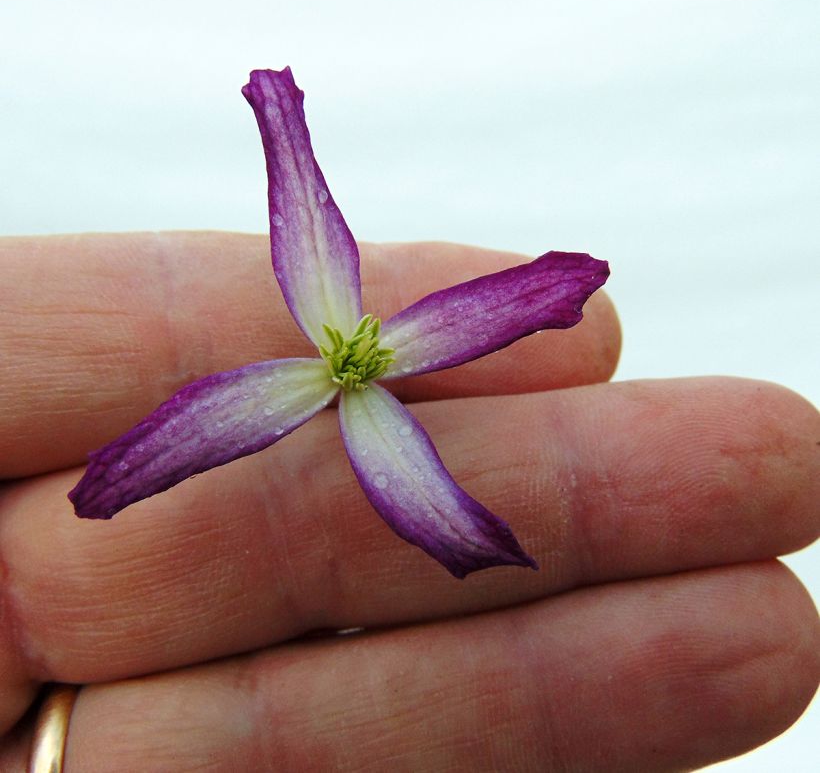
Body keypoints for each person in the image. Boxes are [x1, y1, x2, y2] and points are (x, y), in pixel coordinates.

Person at [0, 232, 817, 772]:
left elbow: (445, 503)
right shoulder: (317, 375)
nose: (356, 353)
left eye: (359, 352)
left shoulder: (366, 382)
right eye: (351, 350)